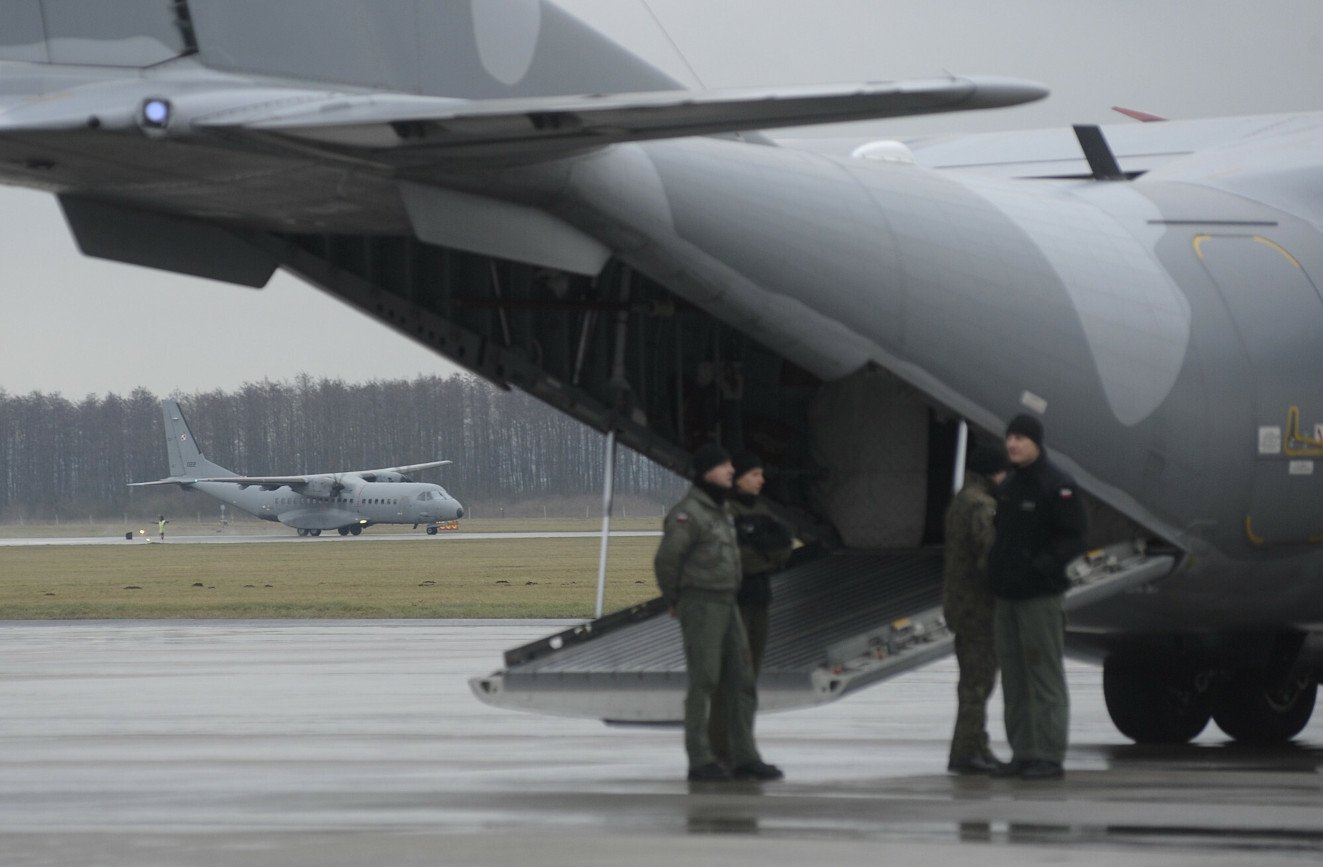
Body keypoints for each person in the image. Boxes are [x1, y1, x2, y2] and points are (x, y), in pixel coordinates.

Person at [654, 443, 784, 783]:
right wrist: (676, 599)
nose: (731, 471)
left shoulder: (720, 511)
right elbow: (667, 560)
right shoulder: (688, 513)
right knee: (705, 679)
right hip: (702, 602)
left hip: (729, 601)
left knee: (742, 679)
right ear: (706, 471)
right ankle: (700, 758)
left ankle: (744, 756)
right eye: (724, 466)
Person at [987, 414, 1086, 781]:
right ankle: (1023, 752)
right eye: (1009, 437)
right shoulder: (1010, 484)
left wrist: (1040, 567)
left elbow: (1074, 537)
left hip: (1039, 598)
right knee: (1014, 677)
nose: (1013, 444)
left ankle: (1048, 753)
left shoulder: (1056, 484)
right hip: (1007, 597)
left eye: (1021, 438)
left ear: (1036, 442)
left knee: (1042, 674)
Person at [708, 450, 795, 764]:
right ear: (740, 478)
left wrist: (763, 555)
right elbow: (735, 557)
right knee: (730, 675)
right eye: (755, 474)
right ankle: (721, 746)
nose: (762, 480)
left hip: (760, 597)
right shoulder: (723, 511)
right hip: (734, 599)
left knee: (749, 677)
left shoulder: (761, 509)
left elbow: (783, 546)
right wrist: (764, 556)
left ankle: (741, 745)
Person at [943, 440, 1011, 775]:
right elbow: (990, 556)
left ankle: (977, 746)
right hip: (978, 608)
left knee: (973, 680)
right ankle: (966, 751)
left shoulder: (962, 499)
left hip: (962, 604)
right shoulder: (982, 506)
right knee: (977, 683)